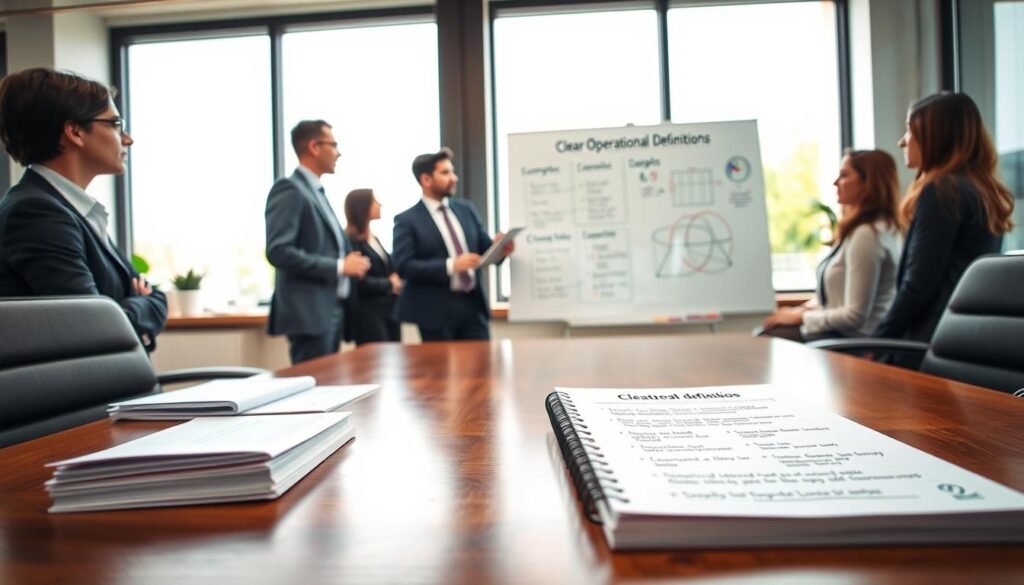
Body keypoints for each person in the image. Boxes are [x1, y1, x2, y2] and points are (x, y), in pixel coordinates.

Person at [0, 67, 166, 351]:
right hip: (91, 394)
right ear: (74, 132)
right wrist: (142, 303)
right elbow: (91, 326)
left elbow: (156, 299)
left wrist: (131, 307)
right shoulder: (37, 213)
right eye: (115, 124)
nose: (127, 139)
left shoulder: (72, 210)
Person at [873, 92, 1014, 349]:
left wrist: (875, 342)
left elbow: (918, 288)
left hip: (927, 343)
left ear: (935, 138)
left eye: (909, 131)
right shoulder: (981, 192)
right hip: (962, 340)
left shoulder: (942, 191)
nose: (902, 141)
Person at [761, 150, 903, 341]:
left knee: (766, 340)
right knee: (766, 333)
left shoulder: (867, 235)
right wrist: (799, 310)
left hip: (850, 340)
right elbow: (833, 300)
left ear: (868, 183)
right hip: (837, 333)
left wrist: (800, 317)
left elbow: (855, 316)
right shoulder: (863, 230)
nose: (836, 182)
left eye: (844, 175)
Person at [265, 120, 370, 364]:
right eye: (333, 145)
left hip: (329, 309)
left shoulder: (316, 192)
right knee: (315, 392)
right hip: (309, 314)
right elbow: (279, 251)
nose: (338, 152)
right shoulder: (290, 189)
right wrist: (339, 266)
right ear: (314, 146)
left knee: (329, 390)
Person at [392, 147, 513, 341]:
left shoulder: (466, 209)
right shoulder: (407, 220)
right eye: (445, 172)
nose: (454, 178)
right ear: (426, 180)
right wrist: (451, 265)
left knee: (482, 368)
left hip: (474, 307)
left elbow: (484, 248)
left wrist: (500, 249)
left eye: (453, 171)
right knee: (441, 370)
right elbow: (404, 266)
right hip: (435, 312)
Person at [344, 188, 401, 344]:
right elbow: (358, 281)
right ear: (363, 207)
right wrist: (389, 283)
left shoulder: (374, 238)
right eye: (374, 201)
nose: (380, 204)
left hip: (389, 308)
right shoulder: (351, 241)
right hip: (368, 313)